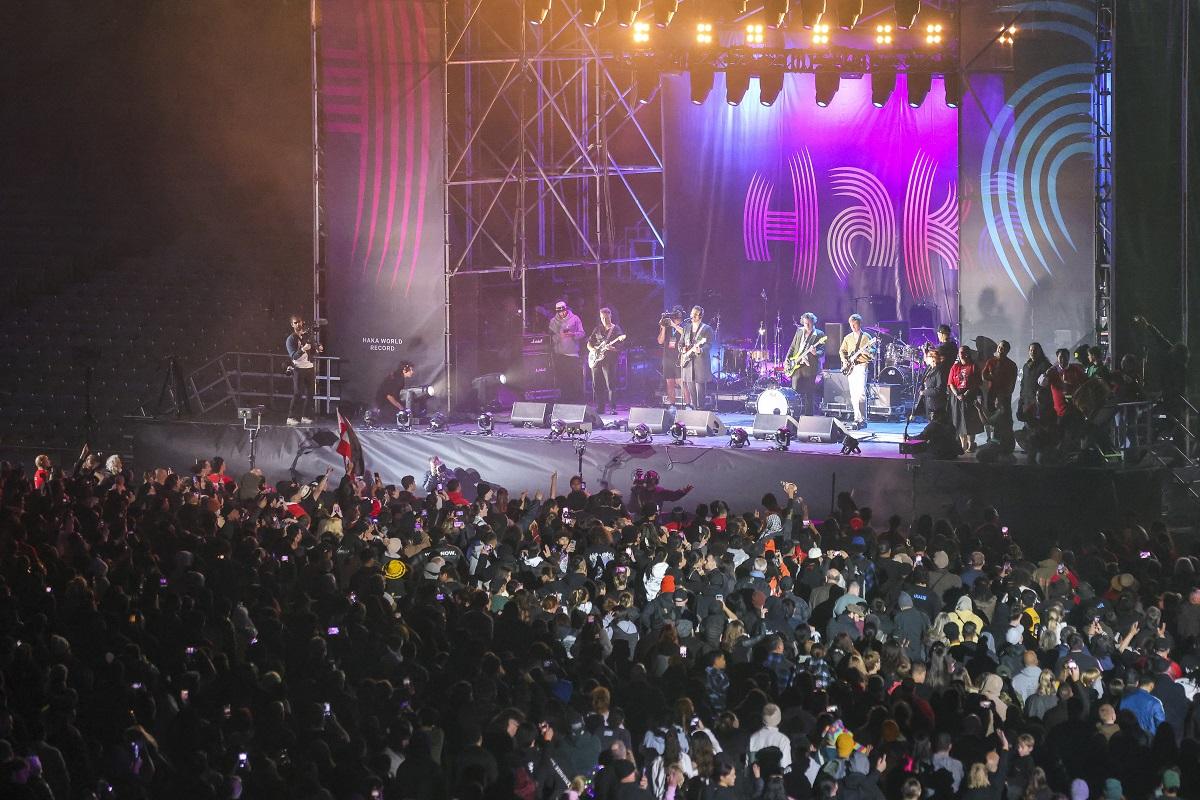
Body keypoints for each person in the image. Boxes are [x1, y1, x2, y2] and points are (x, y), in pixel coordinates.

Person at [784, 312, 826, 416]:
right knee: (795, 392)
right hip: (796, 366)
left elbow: (822, 351)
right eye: (805, 323)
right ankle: (795, 415)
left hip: (809, 367)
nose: (807, 325)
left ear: (813, 322)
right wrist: (787, 359)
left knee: (809, 394)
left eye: (809, 323)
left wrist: (815, 352)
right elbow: (793, 347)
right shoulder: (799, 331)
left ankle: (808, 417)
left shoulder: (819, 334)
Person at [674, 306, 714, 410]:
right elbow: (681, 343)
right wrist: (681, 349)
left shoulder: (706, 329)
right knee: (691, 388)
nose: (693, 316)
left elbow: (708, 344)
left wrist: (700, 350)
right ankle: (695, 408)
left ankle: (700, 409)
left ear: (700, 316)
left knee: (700, 389)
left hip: (700, 363)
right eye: (692, 313)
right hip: (687, 363)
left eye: (695, 314)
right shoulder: (687, 327)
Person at [839, 314, 875, 430]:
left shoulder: (866, 337)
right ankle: (856, 417)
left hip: (861, 366)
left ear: (860, 324)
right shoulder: (847, 338)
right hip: (850, 368)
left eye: (855, 324)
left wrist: (865, 352)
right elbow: (842, 351)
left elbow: (872, 353)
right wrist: (844, 361)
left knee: (861, 393)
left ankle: (863, 419)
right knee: (853, 394)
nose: (853, 326)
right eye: (851, 324)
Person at [586, 307, 625, 415]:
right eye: (602, 318)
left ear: (610, 316)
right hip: (596, 360)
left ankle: (613, 408)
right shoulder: (597, 329)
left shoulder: (616, 329)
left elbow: (620, 345)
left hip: (609, 360)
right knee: (597, 385)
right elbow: (589, 342)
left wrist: (612, 348)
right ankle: (600, 407)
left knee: (610, 384)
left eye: (606, 318)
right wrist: (593, 350)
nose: (604, 320)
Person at [286, 314, 322, 425]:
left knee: (310, 393)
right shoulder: (290, 339)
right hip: (298, 368)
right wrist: (303, 349)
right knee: (298, 393)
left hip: (309, 367)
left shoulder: (306, 336)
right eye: (295, 323)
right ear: (292, 325)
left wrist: (318, 347)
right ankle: (291, 417)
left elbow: (314, 346)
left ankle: (306, 416)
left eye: (299, 322)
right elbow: (293, 356)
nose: (298, 324)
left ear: (302, 322)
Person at [981, 340, 1017, 451]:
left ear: (1007, 351)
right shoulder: (991, 361)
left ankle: (1006, 444)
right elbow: (984, 375)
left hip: (1004, 396)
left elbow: (1012, 383)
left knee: (1004, 419)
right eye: (999, 347)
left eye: (1003, 348)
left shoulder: (1011, 364)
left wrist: (1003, 395)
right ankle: (992, 441)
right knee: (991, 419)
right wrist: (992, 377)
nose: (1000, 349)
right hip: (992, 394)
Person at [549, 300, 586, 402]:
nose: (562, 313)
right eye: (559, 312)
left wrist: (573, 335)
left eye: (564, 310)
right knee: (563, 381)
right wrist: (559, 336)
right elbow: (550, 339)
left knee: (574, 380)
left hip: (573, 354)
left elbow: (582, 333)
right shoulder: (553, 321)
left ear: (566, 308)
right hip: (560, 355)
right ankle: (565, 401)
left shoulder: (575, 319)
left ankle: (577, 401)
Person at [948, 346, 984, 452]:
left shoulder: (973, 366)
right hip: (957, 397)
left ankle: (970, 444)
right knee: (958, 421)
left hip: (969, 396)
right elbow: (951, 383)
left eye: (963, 352)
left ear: (968, 353)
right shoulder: (955, 367)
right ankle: (962, 445)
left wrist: (967, 393)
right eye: (960, 352)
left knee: (969, 422)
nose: (961, 354)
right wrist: (957, 394)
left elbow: (976, 382)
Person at [657, 306, 687, 408]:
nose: (676, 318)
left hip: (679, 358)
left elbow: (685, 334)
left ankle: (689, 405)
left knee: (682, 382)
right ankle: (672, 405)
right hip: (667, 358)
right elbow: (660, 341)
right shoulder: (667, 326)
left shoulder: (685, 325)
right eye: (674, 317)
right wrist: (664, 327)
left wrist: (673, 325)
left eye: (678, 316)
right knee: (669, 383)